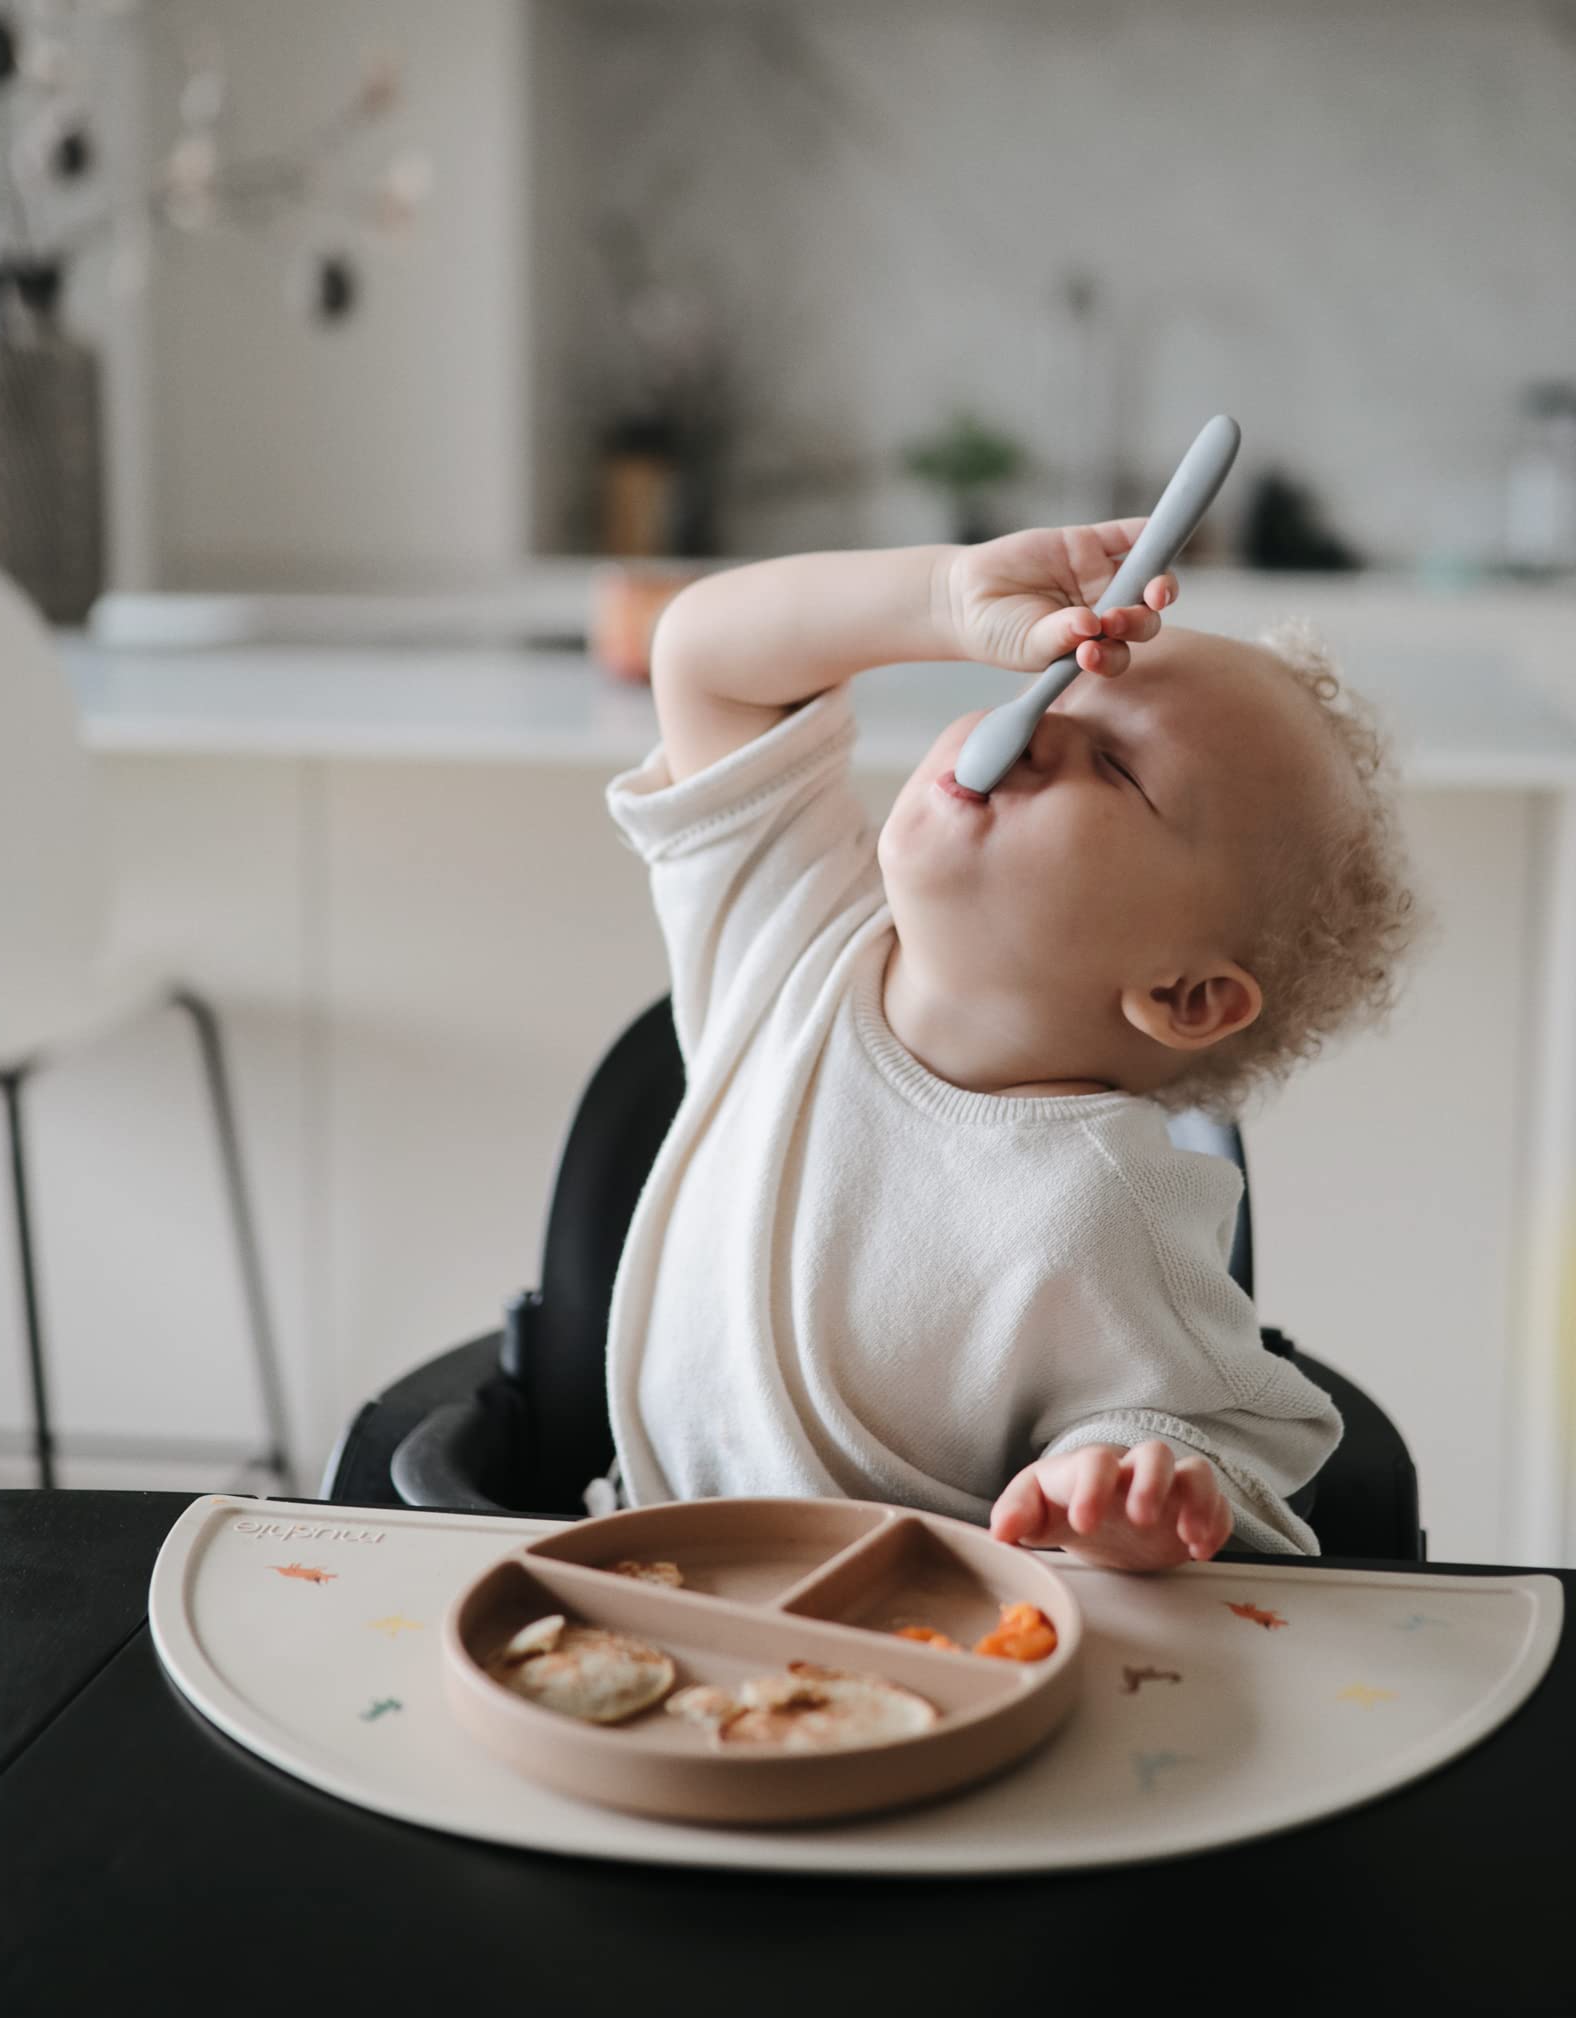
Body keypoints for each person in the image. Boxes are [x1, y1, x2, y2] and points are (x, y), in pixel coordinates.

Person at [603, 520, 1418, 1569]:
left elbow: (1218, 1443)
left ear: (1184, 992)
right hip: (626, 1574)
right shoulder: (790, 927)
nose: (1029, 727)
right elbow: (701, 654)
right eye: (1050, 688)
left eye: (1118, 769)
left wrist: (1127, 1484)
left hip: (904, 1661)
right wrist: (943, 595)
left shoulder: (1110, 1212)